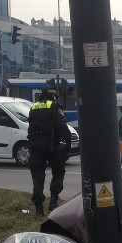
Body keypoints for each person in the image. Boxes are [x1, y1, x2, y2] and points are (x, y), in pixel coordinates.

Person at [27, 84, 71, 215]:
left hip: (35, 146)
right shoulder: (55, 107)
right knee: (58, 172)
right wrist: (68, 145)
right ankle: (53, 201)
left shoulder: (34, 107)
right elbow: (62, 127)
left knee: (37, 177)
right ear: (53, 96)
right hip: (51, 146)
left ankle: (39, 208)